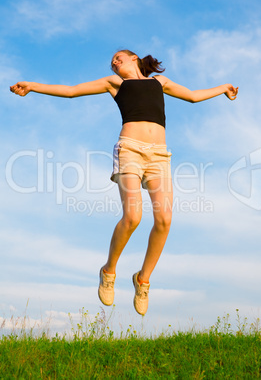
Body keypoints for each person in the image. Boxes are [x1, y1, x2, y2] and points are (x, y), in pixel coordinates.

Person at [10, 49, 238, 315]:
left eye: (118, 57)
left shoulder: (160, 83)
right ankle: (109, 271)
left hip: (159, 156)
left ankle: (143, 280)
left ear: (134, 58)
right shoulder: (115, 83)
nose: (114, 62)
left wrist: (223, 88)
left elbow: (192, 96)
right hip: (129, 150)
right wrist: (33, 86)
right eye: (112, 62)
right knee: (133, 216)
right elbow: (72, 91)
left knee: (164, 219)